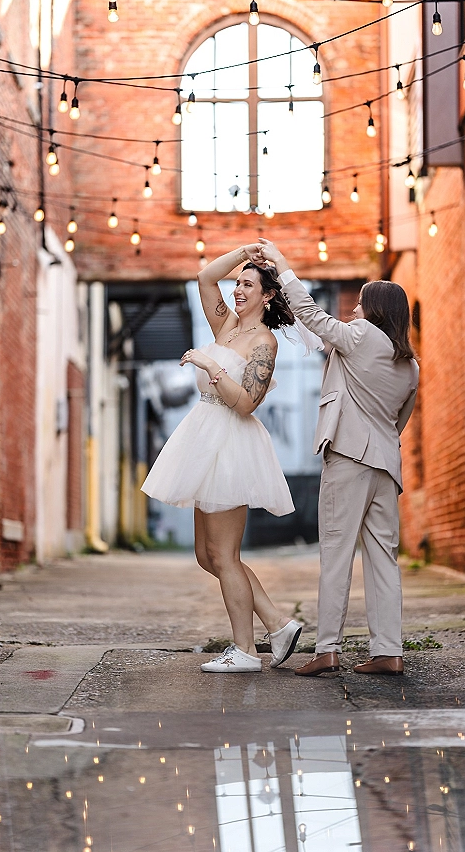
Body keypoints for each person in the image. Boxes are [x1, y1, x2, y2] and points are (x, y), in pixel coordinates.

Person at [257, 238, 419, 676]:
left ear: (376, 311)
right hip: (387, 466)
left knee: (336, 552)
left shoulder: (362, 337)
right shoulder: (411, 366)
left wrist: (283, 263)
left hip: (348, 459)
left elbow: (312, 315)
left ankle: (326, 649)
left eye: (360, 306)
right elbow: (398, 421)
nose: (353, 312)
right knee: (384, 557)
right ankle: (389, 651)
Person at [142, 244, 303, 673]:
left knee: (224, 555)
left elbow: (247, 402)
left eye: (248, 284)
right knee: (205, 554)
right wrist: (243, 253)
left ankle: (247, 650)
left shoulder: (263, 342)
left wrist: (209, 365)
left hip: (231, 444)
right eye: (239, 283)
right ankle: (276, 622)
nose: (238, 290)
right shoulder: (227, 327)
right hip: (204, 440)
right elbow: (205, 277)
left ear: (268, 296)